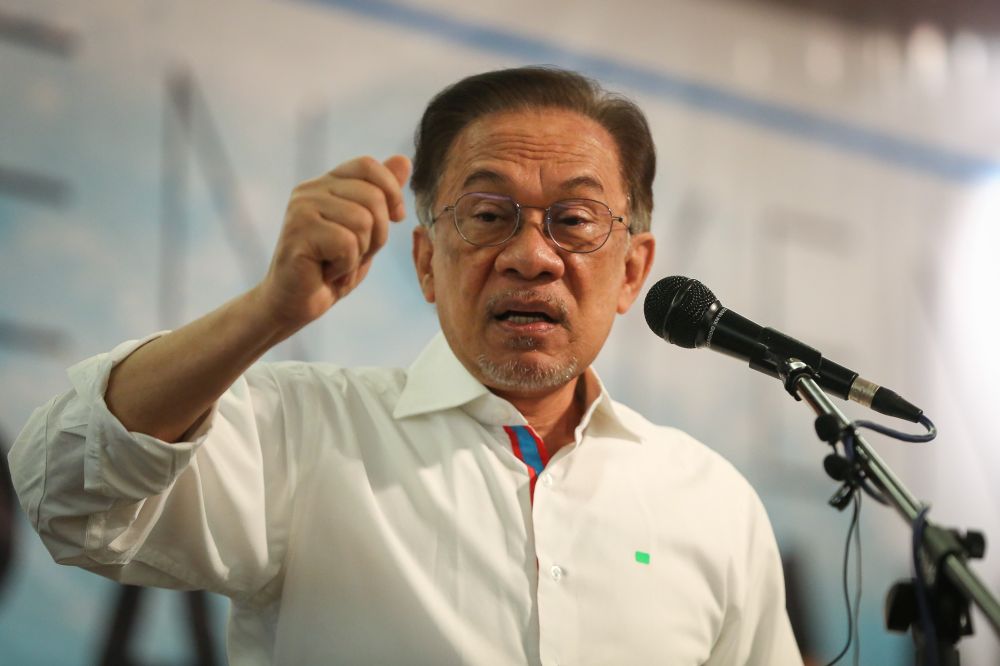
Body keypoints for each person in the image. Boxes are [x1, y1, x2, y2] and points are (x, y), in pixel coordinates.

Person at [8, 67, 802, 664]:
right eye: (488, 216)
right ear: (426, 261)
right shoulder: (307, 433)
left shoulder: (712, 504)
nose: (531, 256)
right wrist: (267, 312)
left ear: (633, 271)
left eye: (575, 220)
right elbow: (65, 490)